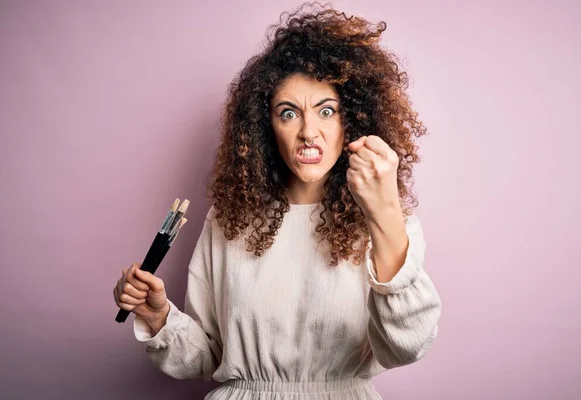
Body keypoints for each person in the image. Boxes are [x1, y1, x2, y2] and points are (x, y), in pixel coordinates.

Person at [113, 3, 442, 399]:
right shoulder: (230, 220)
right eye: (288, 113)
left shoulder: (386, 220)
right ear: (266, 126)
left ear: (351, 121)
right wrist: (158, 317)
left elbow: (407, 346)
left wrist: (384, 212)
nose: (308, 132)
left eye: (326, 111)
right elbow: (210, 358)